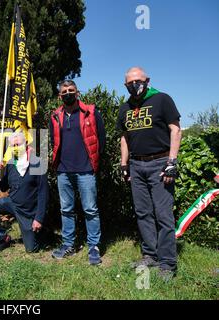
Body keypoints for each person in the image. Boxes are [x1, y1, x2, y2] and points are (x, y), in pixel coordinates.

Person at [117, 67, 182, 280]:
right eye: (129, 83)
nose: (134, 85)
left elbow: (175, 130)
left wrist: (172, 162)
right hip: (136, 165)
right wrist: (124, 165)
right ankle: (150, 255)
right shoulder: (125, 107)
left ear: (147, 80)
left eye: (137, 81)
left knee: (163, 215)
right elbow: (124, 138)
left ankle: (167, 263)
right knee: (143, 213)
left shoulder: (162, 99)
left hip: (160, 163)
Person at [49, 80, 106, 265]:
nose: (68, 93)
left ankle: (94, 246)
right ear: (59, 96)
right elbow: (52, 142)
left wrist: (95, 162)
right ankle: (68, 245)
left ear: (77, 92)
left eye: (71, 90)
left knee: (90, 209)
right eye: (64, 91)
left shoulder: (90, 112)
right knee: (66, 210)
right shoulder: (55, 116)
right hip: (63, 171)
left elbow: (101, 140)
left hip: (86, 170)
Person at [0, 132, 49, 253]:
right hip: (11, 203)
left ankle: (40, 231)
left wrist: (39, 219)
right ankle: (2, 237)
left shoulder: (37, 163)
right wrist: (0, 172)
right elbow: (3, 186)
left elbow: (43, 193)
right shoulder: (11, 163)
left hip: (27, 211)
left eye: (18, 144)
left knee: (31, 249)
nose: (16, 147)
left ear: (26, 143)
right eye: (13, 145)